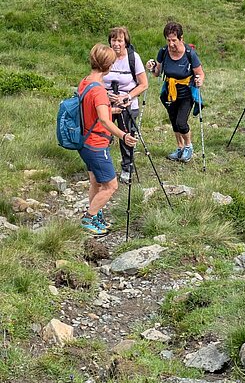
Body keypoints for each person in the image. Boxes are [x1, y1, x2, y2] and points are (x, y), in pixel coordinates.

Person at [78, 43, 136, 236]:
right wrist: (124, 136)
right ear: (108, 65)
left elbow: (92, 111)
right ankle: (89, 217)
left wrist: (111, 109)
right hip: (96, 144)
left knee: (95, 182)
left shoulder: (85, 82)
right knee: (111, 186)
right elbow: (103, 119)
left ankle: (96, 216)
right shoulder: (100, 90)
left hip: (84, 142)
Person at [146, 21, 204, 163]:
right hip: (169, 92)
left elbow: (200, 73)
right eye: (168, 40)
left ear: (181, 39)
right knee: (173, 121)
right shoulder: (164, 52)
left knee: (181, 122)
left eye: (174, 40)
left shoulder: (190, 54)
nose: (171, 44)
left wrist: (199, 81)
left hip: (186, 93)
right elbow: (157, 73)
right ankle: (179, 148)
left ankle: (188, 147)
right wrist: (151, 67)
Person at [103, 27, 148, 183]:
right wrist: (105, 93)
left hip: (128, 103)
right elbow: (96, 78)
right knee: (103, 135)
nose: (116, 44)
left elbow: (143, 84)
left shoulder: (133, 58)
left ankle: (127, 168)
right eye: (113, 40)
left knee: (126, 136)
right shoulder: (105, 57)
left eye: (120, 40)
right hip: (106, 103)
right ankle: (102, 167)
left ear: (126, 42)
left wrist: (127, 96)